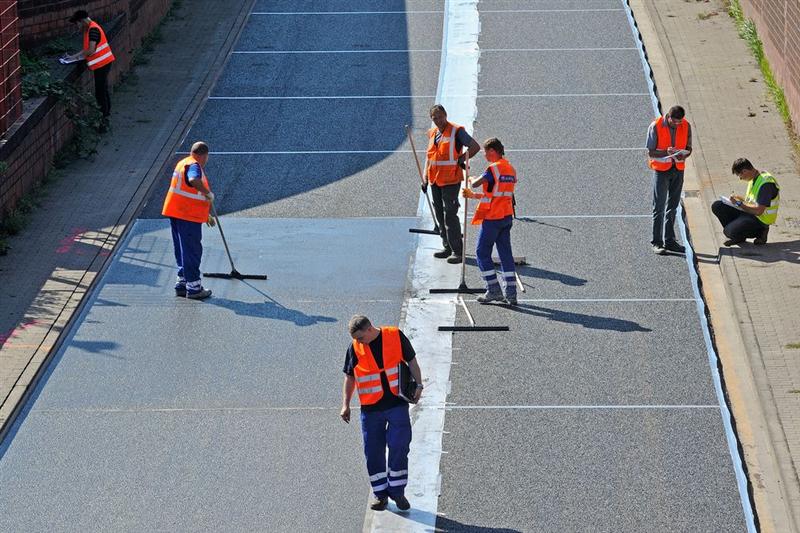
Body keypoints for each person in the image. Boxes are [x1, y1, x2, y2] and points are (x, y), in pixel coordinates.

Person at [340, 315, 423, 512]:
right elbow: (350, 377)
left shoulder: (394, 336)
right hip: (371, 410)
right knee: (373, 452)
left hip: (396, 404)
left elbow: (411, 361)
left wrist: (419, 385)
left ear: (369, 329)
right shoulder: (355, 347)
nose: (358, 342)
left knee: (399, 446)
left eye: (360, 337)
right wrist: (345, 404)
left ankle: (397, 491)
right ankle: (380, 494)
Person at [422, 104, 481, 264]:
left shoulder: (456, 131)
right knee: (439, 214)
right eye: (435, 118)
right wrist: (425, 178)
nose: (438, 121)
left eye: (440, 117)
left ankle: (457, 251)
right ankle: (446, 246)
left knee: (450, 215)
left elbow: (475, 146)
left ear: (445, 115)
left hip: (450, 180)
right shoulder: (433, 133)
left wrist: (462, 159)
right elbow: (430, 158)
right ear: (431, 119)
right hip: (435, 181)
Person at [463, 138, 518, 305]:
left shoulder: (493, 169)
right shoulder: (511, 169)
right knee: (506, 255)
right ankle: (511, 293)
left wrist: (470, 178)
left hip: (493, 218)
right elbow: (496, 195)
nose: (485, 155)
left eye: (486, 152)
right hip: (506, 216)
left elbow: (478, 183)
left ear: (493, 151)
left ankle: (493, 290)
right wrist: (474, 197)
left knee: (482, 253)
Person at [161, 141, 216, 300]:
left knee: (181, 249)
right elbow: (193, 180)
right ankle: (194, 287)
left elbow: (187, 193)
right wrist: (207, 193)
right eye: (206, 157)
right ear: (203, 155)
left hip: (177, 212)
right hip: (187, 216)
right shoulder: (194, 166)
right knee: (192, 250)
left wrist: (206, 216)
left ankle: (182, 282)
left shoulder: (182, 162)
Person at [647, 105, 692, 255]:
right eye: (675, 122)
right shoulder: (656, 126)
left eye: (680, 122)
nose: (678, 125)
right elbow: (651, 152)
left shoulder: (686, 125)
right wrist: (665, 152)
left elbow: (689, 148)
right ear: (669, 117)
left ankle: (670, 241)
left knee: (672, 207)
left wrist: (683, 154)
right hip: (661, 171)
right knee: (659, 208)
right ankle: (657, 242)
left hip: (678, 170)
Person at [711, 158, 780, 246]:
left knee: (728, 231)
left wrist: (739, 203)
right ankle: (739, 236)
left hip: (760, 220)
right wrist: (739, 199)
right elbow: (751, 201)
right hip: (749, 213)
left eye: (739, 175)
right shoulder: (754, 178)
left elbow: (759, 211)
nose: (740, 178)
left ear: (745, 171)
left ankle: (761, 232)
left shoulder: (765, 184)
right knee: (717, 206)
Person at [65, 10, 115, 123]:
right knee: (103, 89)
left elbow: (91, 50)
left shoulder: (92, 30)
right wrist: (72, 57)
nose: (77, 27)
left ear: (81, 21)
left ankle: (104, 118)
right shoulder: (90, 28)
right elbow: (86, 49)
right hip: (103, 63)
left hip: (102, 64)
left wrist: (76, 58)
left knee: (100, 92)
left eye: (77, 24)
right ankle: (106, 113)